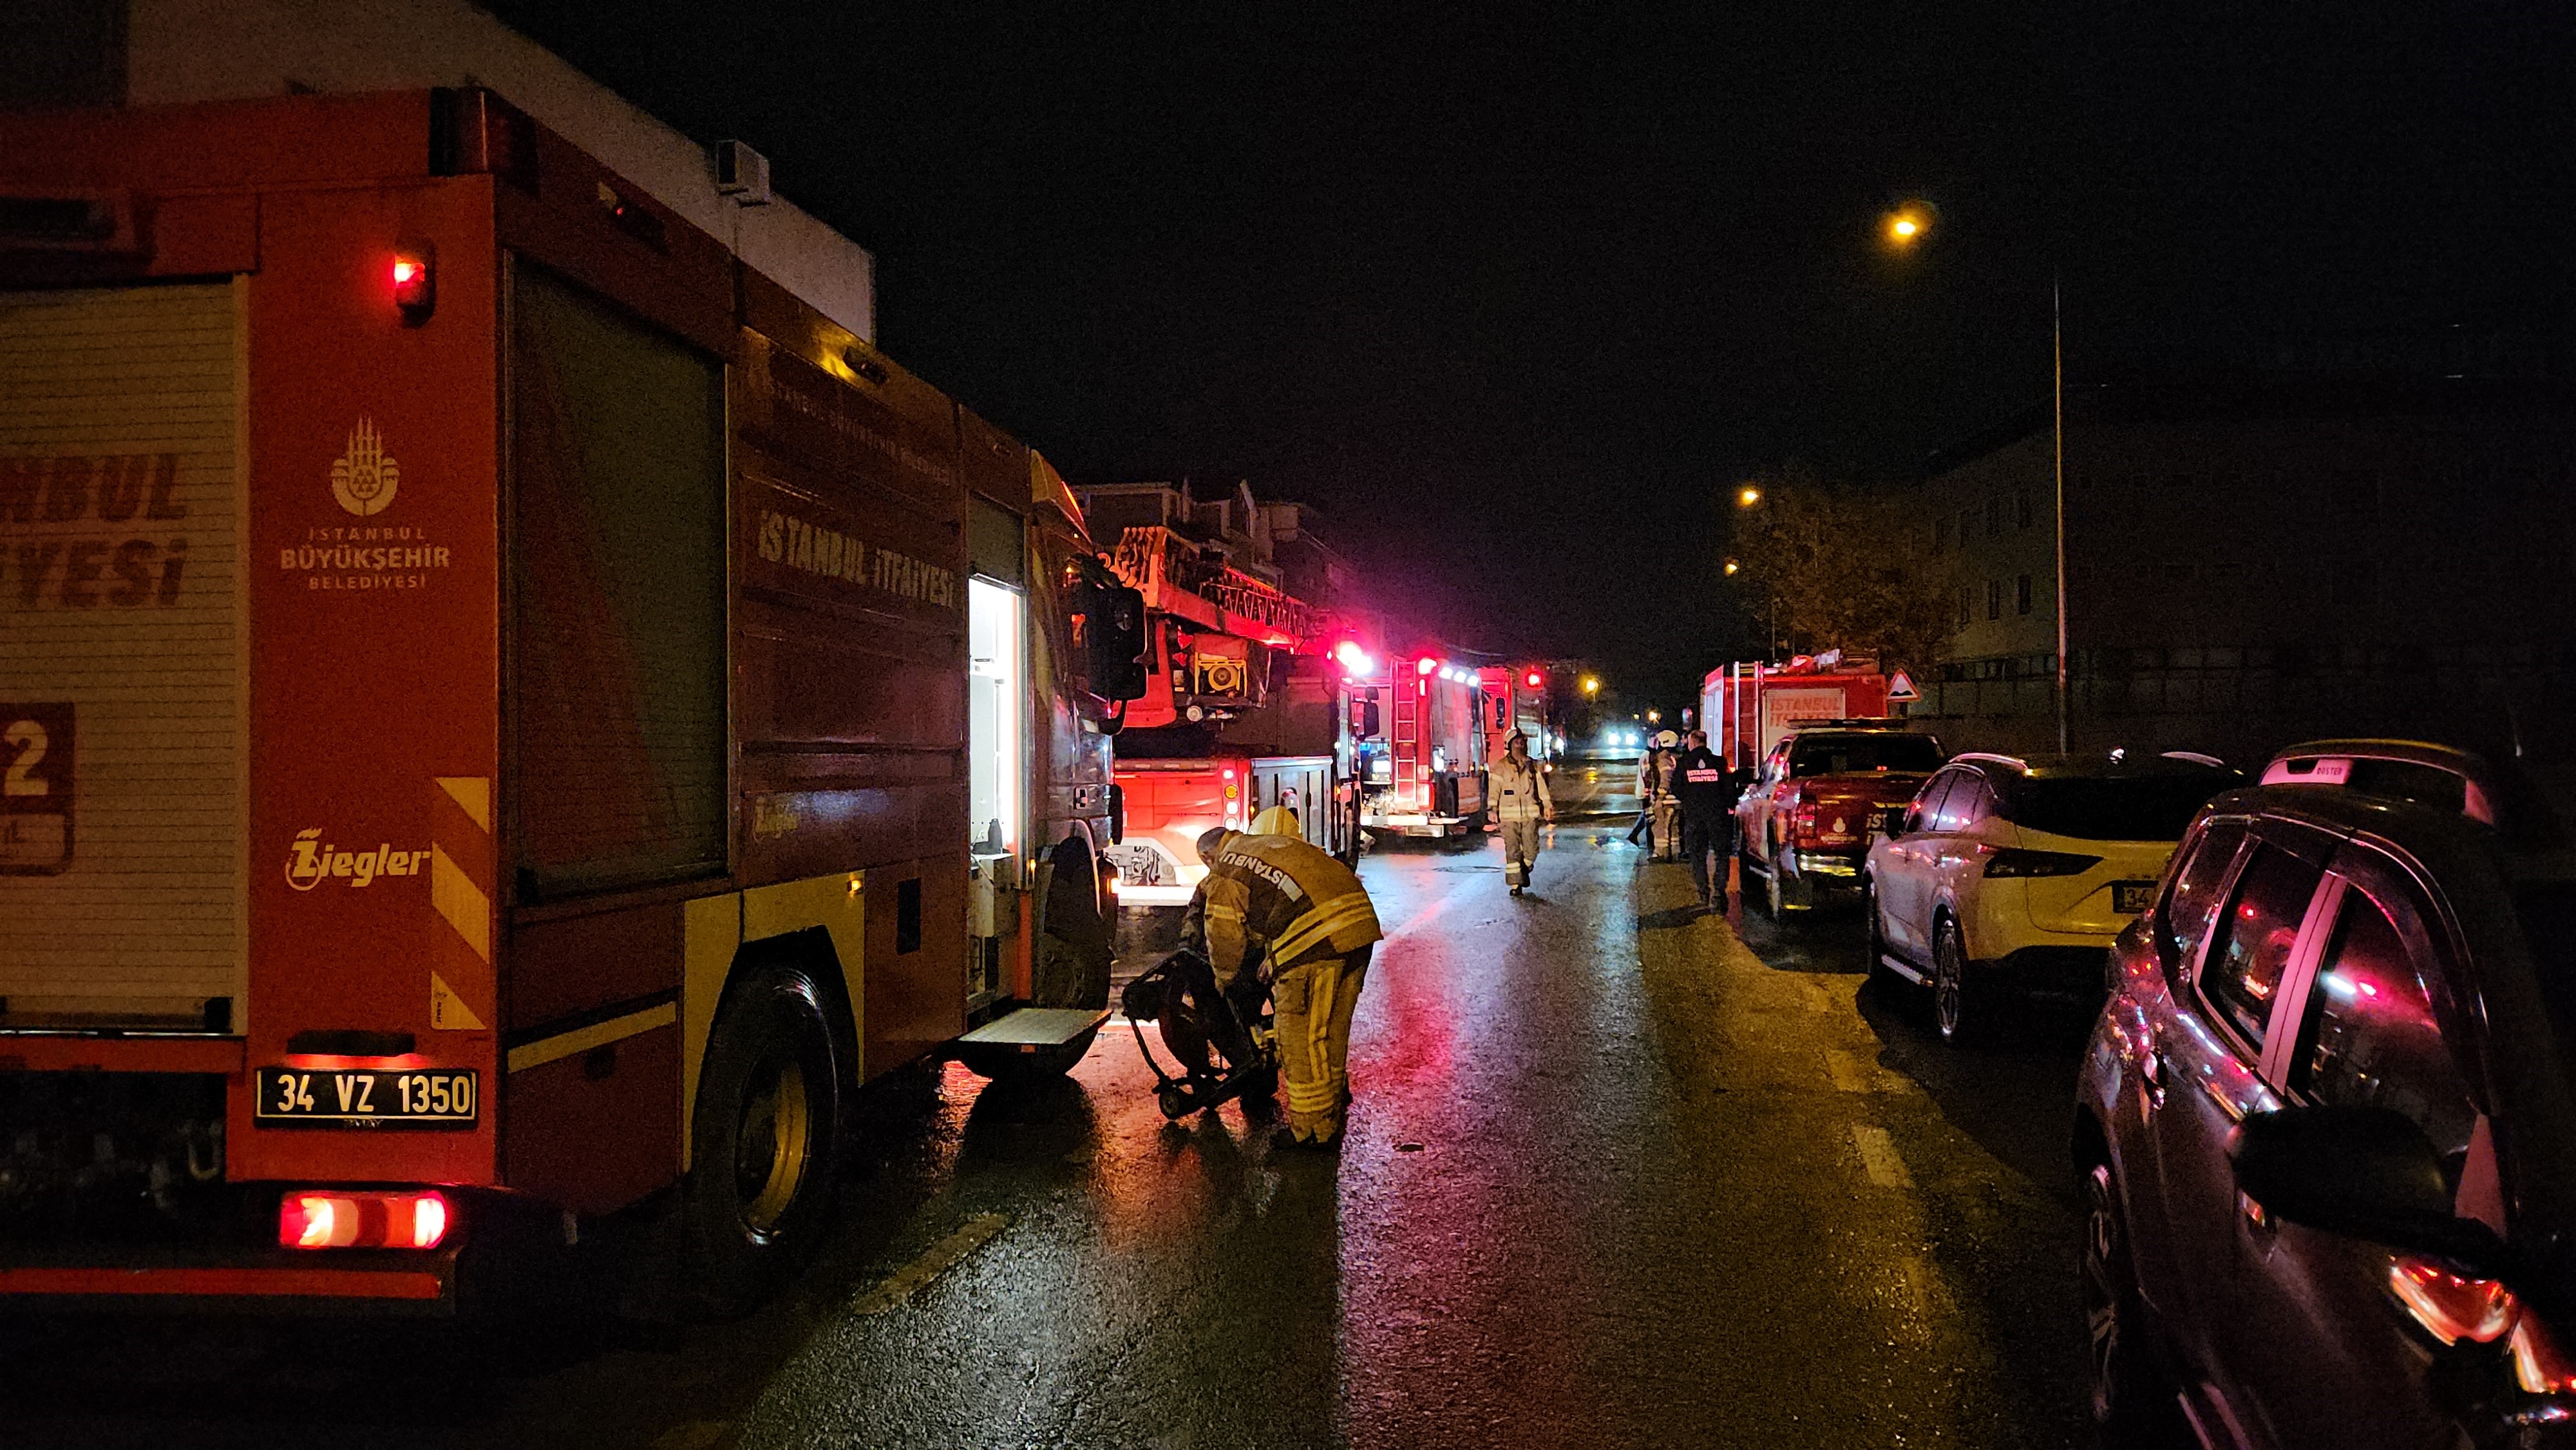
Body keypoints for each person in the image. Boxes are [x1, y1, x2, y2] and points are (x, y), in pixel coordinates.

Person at [1186, 825, 1383, 1149]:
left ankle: (1311, 1132)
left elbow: (1224, 934)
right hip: (1358, 926)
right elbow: (1281, 901)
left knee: (1299, 1038)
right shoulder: (1262, 845)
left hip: (1317, 942)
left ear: (1208, 856)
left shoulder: (1227, 867)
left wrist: (1224, 980)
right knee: (1331, 1031)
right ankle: (1330, 1112)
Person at [1672, 730, 1736, 909]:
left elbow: (1676, 788)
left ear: (1692, 743)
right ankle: (1719, 893)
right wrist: (1726, 805)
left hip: (1694, 818)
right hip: (1718, 816)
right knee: (1722, 855)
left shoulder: (1684, 763)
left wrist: (1690, 800)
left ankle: (1703, 893)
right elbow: (1730, 789)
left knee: (1697, 856)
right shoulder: (1719, 762)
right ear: (1705, 742)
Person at [1489, 732, 1555, 895]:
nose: (1520, 745)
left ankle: (1524, 871)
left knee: (1531, 851)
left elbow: (1541, 788)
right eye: (1517, 742)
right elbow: (1494, 791)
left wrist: (1547, 805)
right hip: (1508, 818)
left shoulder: (1532, 766)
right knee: (1512, 852)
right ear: (1510, 745)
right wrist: (1492, 809)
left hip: (1529, 816)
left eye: (1522, 742)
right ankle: (1515, 886)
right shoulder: (1501, 767)